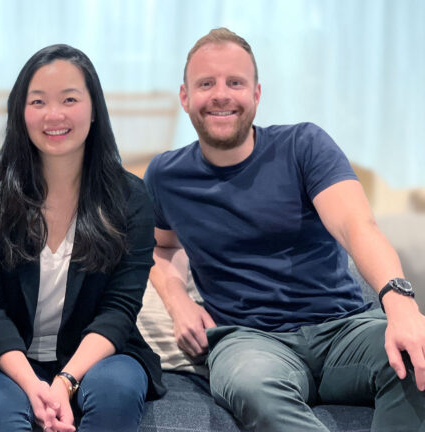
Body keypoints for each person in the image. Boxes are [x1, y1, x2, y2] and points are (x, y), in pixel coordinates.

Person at [144, 27, 425, 431]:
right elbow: (159, 247)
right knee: (251, 386)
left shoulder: (303, 145)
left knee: (417, 354)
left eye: (235, 82)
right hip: (249, 342)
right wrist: (178, 302)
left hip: (344, 328)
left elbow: (356, 227)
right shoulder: (166, 176)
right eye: (206, 84)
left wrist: (401, 305)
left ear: (256, 94)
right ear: (185, 97)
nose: (221, 94)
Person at [0, 44, 165, 432]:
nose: (54, 114)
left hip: (101, 359)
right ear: (20, 111)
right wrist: (34, 386)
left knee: (115, 393)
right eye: (38, 101)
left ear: (94, 110)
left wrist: (65, 382)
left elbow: (119, 310)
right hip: (6, 361)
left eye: (69, 99)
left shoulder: (130, 198)